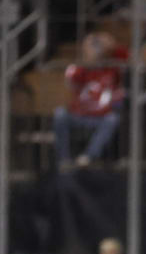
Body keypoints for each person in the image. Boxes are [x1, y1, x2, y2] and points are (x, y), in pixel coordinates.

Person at [53, 32, 124, 169]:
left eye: (99, 48)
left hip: (100, 116)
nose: (96, 51)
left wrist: (112, 46)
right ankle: (64, 160)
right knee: (60, 114)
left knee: (112, 119)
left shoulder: (111, 67)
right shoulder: (78, 69)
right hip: (78, 114)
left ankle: (89, 156)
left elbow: (127, 58)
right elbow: (71, 79)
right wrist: (86, 56)